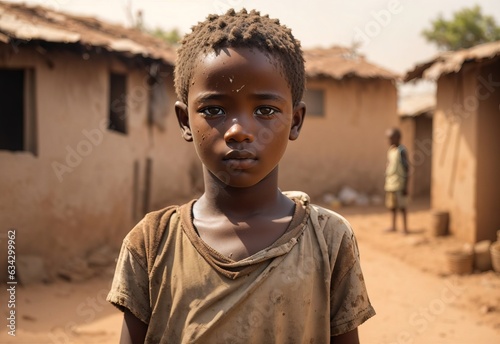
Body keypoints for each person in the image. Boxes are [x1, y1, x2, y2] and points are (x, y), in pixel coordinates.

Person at [107, 9, 375, 344]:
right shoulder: (151, 244)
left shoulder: (329, 241)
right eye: (214, 110)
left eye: (265, 110)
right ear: (184, 121)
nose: (238, 131)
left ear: (295, 121)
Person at [384, 128, 409, 234]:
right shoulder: (391, 150)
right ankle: (393, 226)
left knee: (402, 206)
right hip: (390, 183)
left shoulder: (402, 151)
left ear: (398, 138)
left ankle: (404, 228)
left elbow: (407, 168)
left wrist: (406, 186)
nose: (389, 140)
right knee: (392, 206)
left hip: (399, 183)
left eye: (391, 138)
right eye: (388, 138)